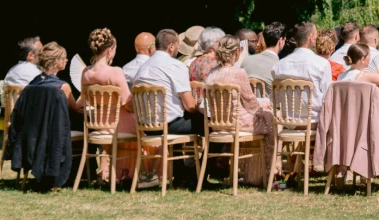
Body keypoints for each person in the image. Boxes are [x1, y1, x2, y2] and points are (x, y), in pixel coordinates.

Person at [205, 35, 276, 185]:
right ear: (237, 52)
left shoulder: (211, 74)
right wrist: (264, 106)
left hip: (217, 125)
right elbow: (251, 104)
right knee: (270, 118)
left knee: (265, 115)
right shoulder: (239, 73)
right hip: (237, 123)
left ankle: (250, 172)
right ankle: (268, 173)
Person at [81, 28, 136, 183]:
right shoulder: (115, 72)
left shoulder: (86, 72)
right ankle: (128, 174)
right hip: (117, 125)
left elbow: (83, 100)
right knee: (143, 133)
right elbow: (128, 105)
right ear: (110, 51)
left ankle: (112, 172)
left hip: (98, 124)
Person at [132, 28, 202, 133]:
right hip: (170, 126)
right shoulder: (176, 66)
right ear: (171, 47)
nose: (178, 48)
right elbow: (190, 106)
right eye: (178, 45)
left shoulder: (142, 68)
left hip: (146, 127)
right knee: (208, 123)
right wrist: (200, 103)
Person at [271, 21, 332, 121]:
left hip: (287, 121)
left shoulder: (278, 66)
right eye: (316, 34)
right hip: (313, 121)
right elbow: (328, 99)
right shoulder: (322, 64)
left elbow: (277, 99)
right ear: (311, 38)